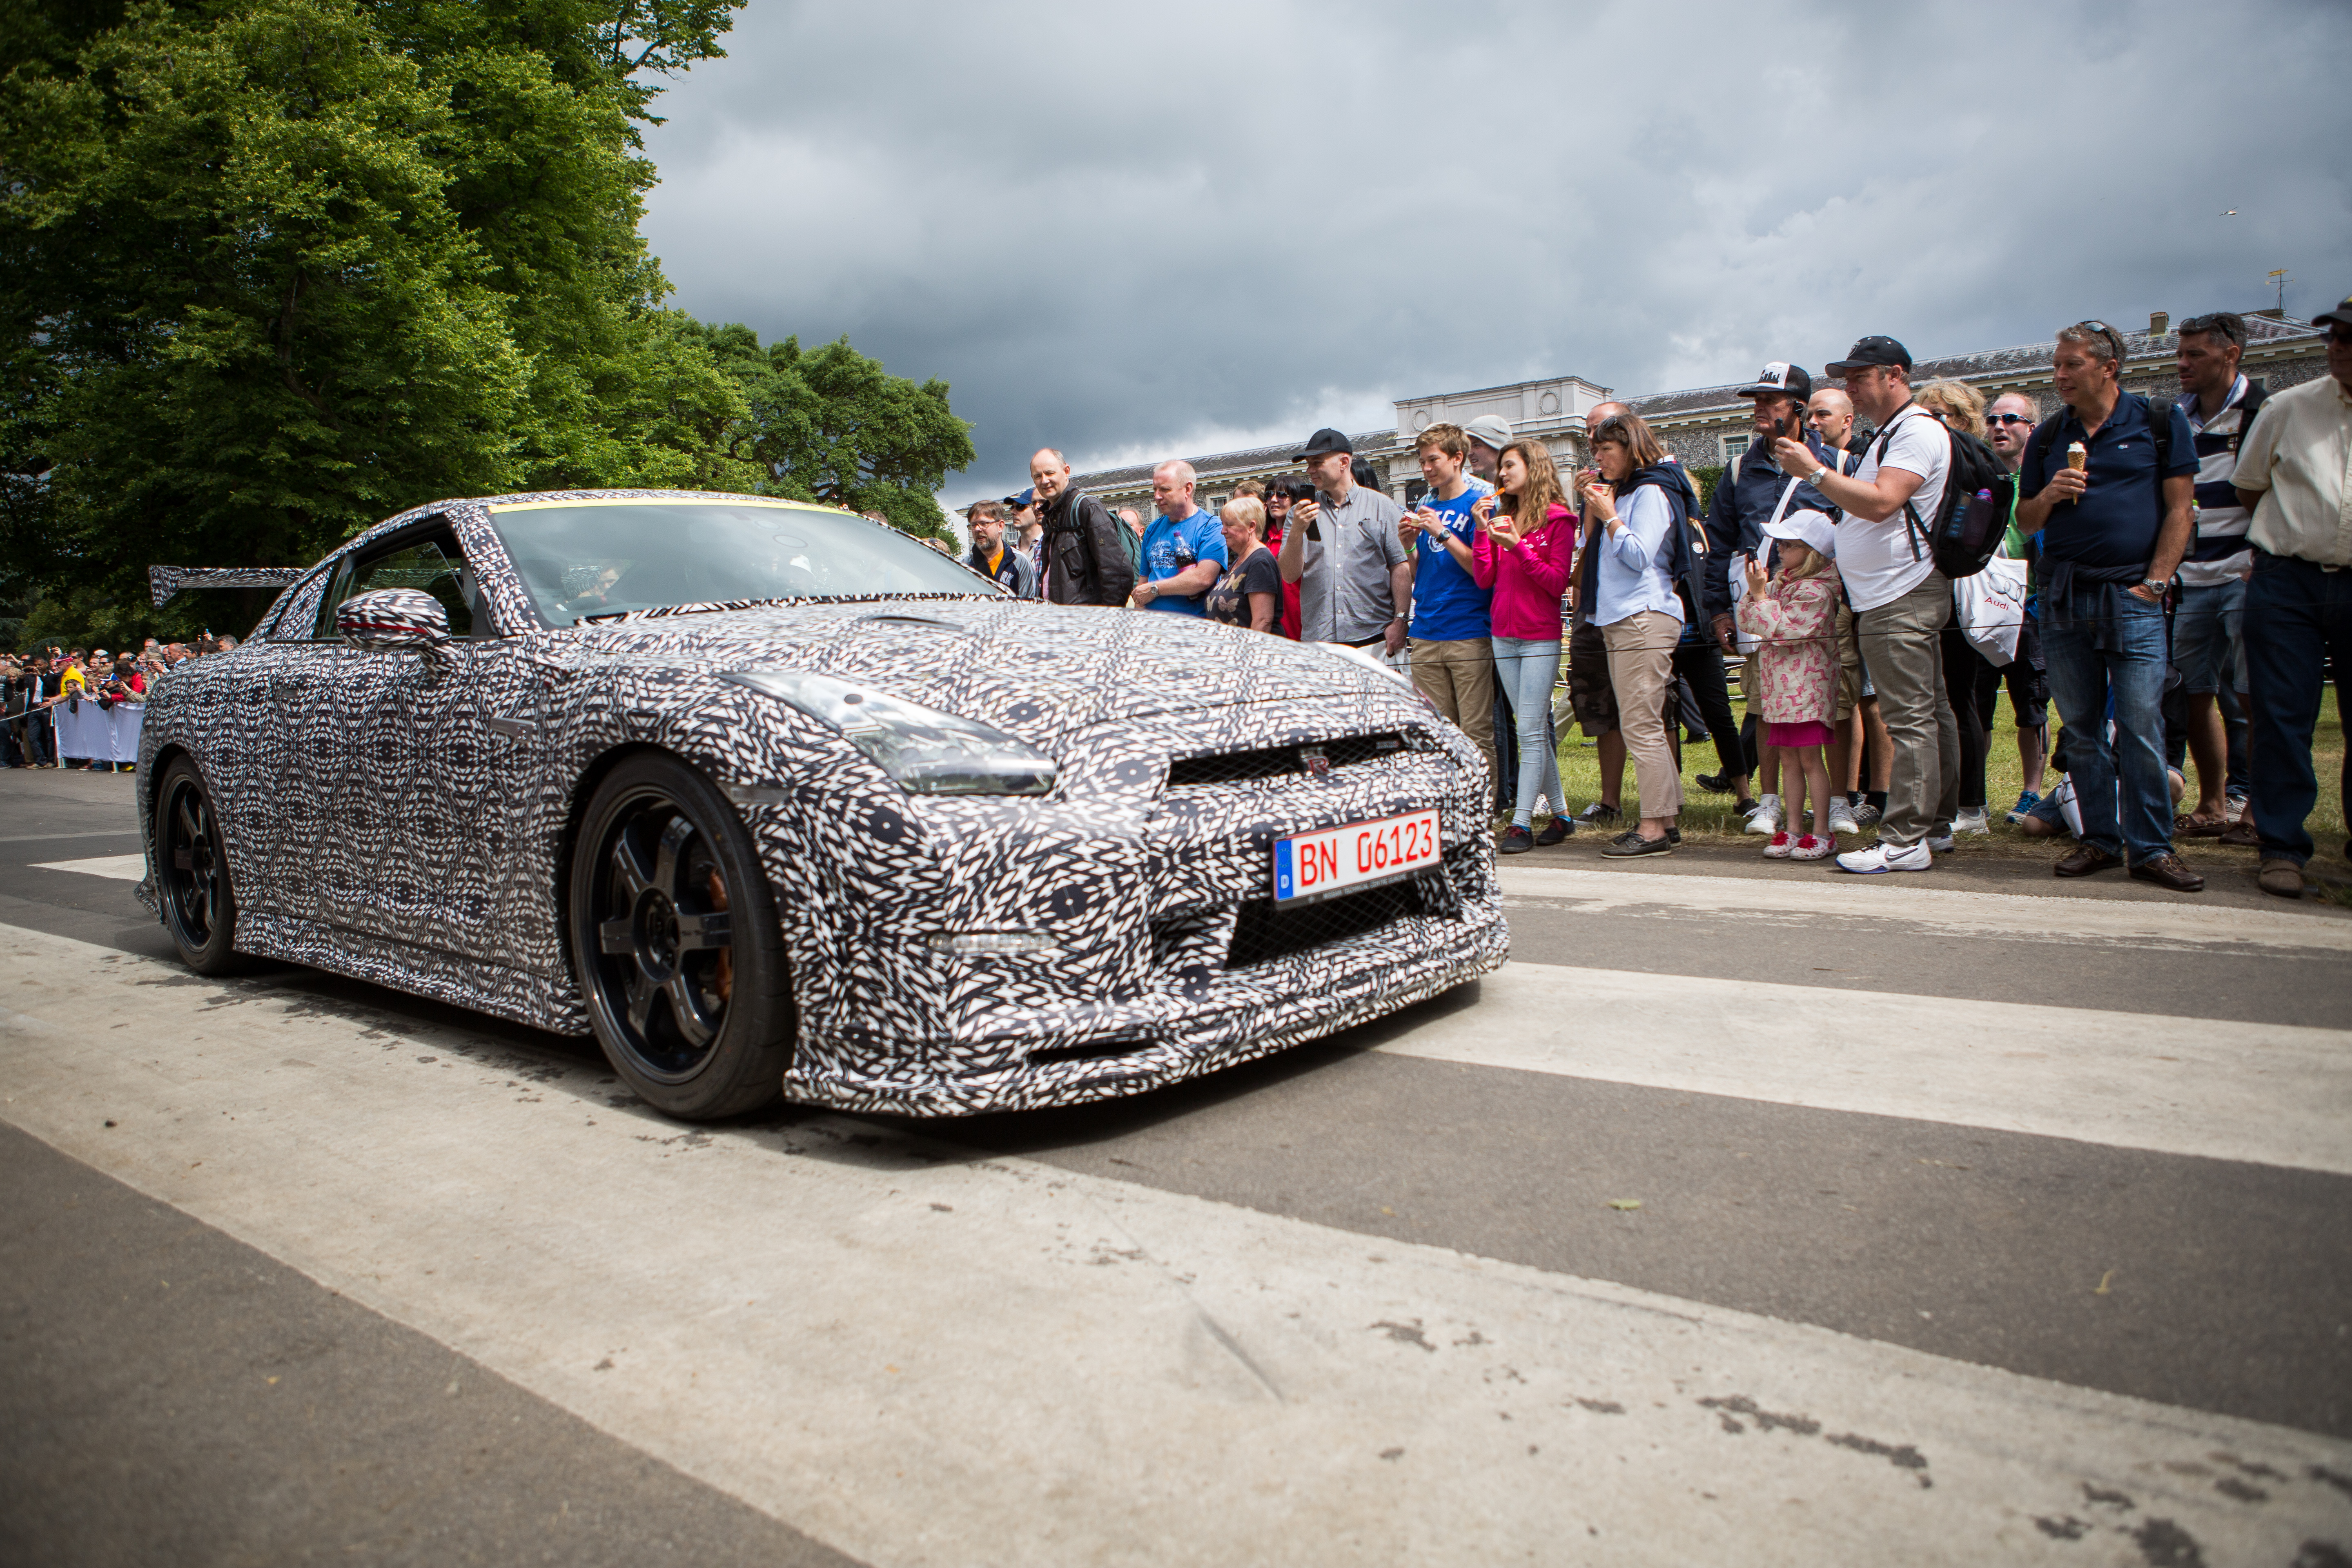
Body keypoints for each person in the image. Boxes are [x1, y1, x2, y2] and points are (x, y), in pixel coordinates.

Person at [2015, 321, 2203, 892]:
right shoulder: (2048, 438)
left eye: (2071, 365)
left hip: (2132, 597)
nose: (2060, 376)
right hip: (2066, 596)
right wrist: (2048, 494)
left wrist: (2156, 582)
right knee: (2081, 729)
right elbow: (2024, 523)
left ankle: (2151, 848)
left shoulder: (2158, 421)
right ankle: (2098, 838)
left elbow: (2180, 510)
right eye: (2056, 366)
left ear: (2107, 366)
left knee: (2142, 724)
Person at [1774, 336, 1956, 874]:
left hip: (1901, 593)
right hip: (1891, 592)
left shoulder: (1917, 431)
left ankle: (1906, 838)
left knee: (1910, 718)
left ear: (1895, 375)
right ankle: (1935, 827)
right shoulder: (1893, 435)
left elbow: (1880, 503)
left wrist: (1812, 472)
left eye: (1860, 376)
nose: (1851, 386)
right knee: (1931, 713)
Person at [2231, 290, 2352, 898]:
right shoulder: (2287, 407)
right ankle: (2281, 845)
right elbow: (2251, 487)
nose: (2337, 348)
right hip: (2288, 578)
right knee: (2281, 715)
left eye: (2349, 340)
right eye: (2334, 336)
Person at [1702, 363, 1835, 829]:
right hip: (1760, 605)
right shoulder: (1740, 468)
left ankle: (1836, 802)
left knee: (1832, 703)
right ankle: (1772, 799)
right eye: (1755, 400)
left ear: (1798, 408)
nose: (1759, 408)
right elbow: (1719, 544)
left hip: (1822, 606)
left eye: (1770, 400)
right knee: (1763, 702)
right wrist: (1719, 609)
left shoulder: (1835, 463)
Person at [2171, 311, 2265, 839]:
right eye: (2180, 354)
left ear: (2230, 354)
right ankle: (2212, 804)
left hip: (2247, 573)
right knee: (2195, 691)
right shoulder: (2175, 418)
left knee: (2255, 695)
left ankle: (2254, 809)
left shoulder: (2263, 411)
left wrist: (2263, 561)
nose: (2182, 365)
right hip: (2192, 577)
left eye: (2195, 355)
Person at [1460, 438, 1575, 851]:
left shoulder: (1560, 520)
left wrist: (1518, 547)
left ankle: (1521, 823)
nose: (1501, 474)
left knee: (1528, 729)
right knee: (1532, 732)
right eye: (1501, 468)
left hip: (1540, 636)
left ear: (1534, 468)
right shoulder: (1503, 517)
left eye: (1510, 466)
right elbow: (1485, 579)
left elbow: (1556, 583)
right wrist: (1482, 531)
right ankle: (1561, 816)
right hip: (1503, 636)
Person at [1579, 412, 1686, 856]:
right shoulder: (1628, 492)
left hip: (1644, 615)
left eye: (1606, 449)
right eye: (1595, 451)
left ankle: (1653, 828)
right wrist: (1600, 509)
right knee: (1646, 723)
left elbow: (1640, 556)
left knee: (1641, 724)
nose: (1598, 457)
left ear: (1631, 448)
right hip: (1624, 616)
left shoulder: (1651, 491)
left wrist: (1610, 517)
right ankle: (1667, 818)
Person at [1914, 378, 1998, 837]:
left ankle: (1969, 803)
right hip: (1927, 586)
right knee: (1932, 698)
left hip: (1963, 589)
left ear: (1966, 421)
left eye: (1941, 415)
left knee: (1959, 696)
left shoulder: (1973, 461)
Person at [1736, 509, 1844, 860]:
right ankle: (1794, 828)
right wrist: (1758, 595)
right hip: (1782, 693)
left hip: (1806, 692)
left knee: (1811, 760)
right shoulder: (1783, 584)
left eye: (1788, 544)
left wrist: (1760, 597)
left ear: (1811, 550)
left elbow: (1784, 632)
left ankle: (1823, 832)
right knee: (1788, 759)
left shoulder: (1817, 591)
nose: (1779, 550)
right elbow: (1750, 619)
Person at [1398, 422, 1499, 792]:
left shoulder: (1479, 504)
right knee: (1438, 730)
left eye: (1433, 460)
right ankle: (1449, 804)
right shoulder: (1426, 506)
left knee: (1475, 730)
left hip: (1469, 629)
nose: (1426, 469)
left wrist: (1442, 532)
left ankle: (1482, 807)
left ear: (1458, 459)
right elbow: (1420, 572)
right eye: (1422, 461)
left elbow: (1481, 568)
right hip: (1426, 630)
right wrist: (1410, 545)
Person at [1807, 384, 1889, 830]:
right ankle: (1849, 792)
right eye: (1811, 416)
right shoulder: (1806, 463)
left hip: (1865, 596)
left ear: (1847, 421)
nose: (1814, 423)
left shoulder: (1861, 462)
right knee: (1842, 702)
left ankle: (1882, 795)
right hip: (1833, 599)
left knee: (1873, 699)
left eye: (1823, 414)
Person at [1981, 390, 2053, 820]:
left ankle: (2031, 793)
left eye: (2010, 419)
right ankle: (1977, 794)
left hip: (2030, 607)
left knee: (2031, 705)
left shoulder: (2042, 479)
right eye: (1992, 420)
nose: (1999, 427)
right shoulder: (1981, 476)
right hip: (1984, 607)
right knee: (1978, 707)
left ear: (2030, 427)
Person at [1277, 428, 1410, 653]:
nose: (1310, 471)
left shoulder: (1382, 506)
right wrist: (1297, 532)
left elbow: (1400, 566)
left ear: (1344, 462)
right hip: (1320, 641)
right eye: (1308, 464)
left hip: (1375, 637)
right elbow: (1289, 575)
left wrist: (1401, 621)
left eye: (1317, 463)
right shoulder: (1299, 513)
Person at [1028, 449, 1136, 608]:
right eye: (1038, 476)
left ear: (1066, 472)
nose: (1044, 481)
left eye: (1050, 473)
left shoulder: (1087, 507)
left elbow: (1117, 571)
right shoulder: (1049, 516)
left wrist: (1108, 619)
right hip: (1059, 621)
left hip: (1086, 624)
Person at [1132, 460, 1227, 615]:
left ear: (1187, 489)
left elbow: (1203, 578)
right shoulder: (1152, 530)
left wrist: (1155, 589)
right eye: (1155, 489)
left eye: (1165, 490)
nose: (1157, 496)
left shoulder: (1211, 527)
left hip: (1191, 629)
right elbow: (1142, 585)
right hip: (1154, 628)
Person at [1205, 497, 1282, 633]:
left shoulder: (1260, 561)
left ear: (1251, 527)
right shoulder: (1241, 560)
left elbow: (1263, 621)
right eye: (1223, 525)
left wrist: (1250, 653)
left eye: (1229, 525)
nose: (1223, 531)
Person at [965, 501, 1040, 597]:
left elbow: (1030, 606)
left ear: (1000, 526)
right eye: (974, 525)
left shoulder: (1020, 562)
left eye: (984, 524)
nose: (978, 529)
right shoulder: (966, 565)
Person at [1463, 414, 1512, 484]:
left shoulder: (1524, 491)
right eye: (1468, 446)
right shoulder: (1474, 491)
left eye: (1476, 445)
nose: (1469, 453)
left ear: (1499, 447)